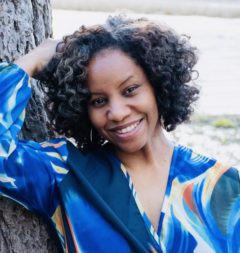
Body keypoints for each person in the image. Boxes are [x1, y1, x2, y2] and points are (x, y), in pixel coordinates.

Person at [0, 15, 239, 253]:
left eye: (130, 90)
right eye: (98, 100)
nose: (116, 113)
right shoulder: (66, 175)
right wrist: (31, 61)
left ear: (158, 84)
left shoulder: (223, 187)